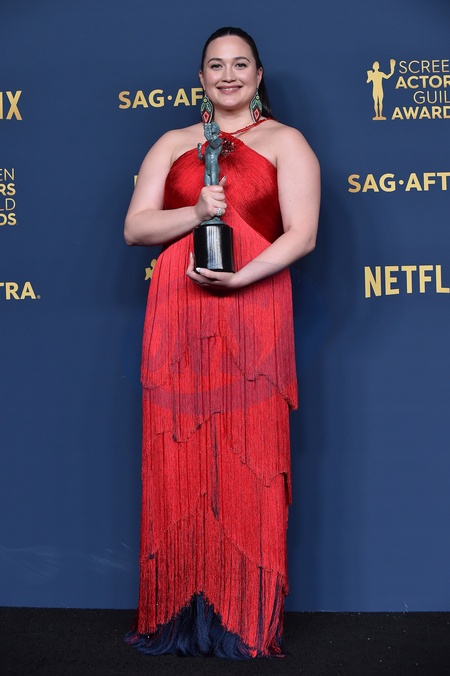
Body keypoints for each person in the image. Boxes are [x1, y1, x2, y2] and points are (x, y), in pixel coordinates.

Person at [124, 26, 320, 659]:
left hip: (253, 305)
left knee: (248, 457)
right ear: (201, 78)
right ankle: (179, 616)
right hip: (178, 308)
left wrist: (242, 277)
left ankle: (243, 619)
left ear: (258, 76)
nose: (228, 75)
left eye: (240, 64)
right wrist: (195, 213)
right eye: (216, 65)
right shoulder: (172, 142)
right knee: (179, 453)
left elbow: (302, 235)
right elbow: (136, 228)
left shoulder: (287, 142)